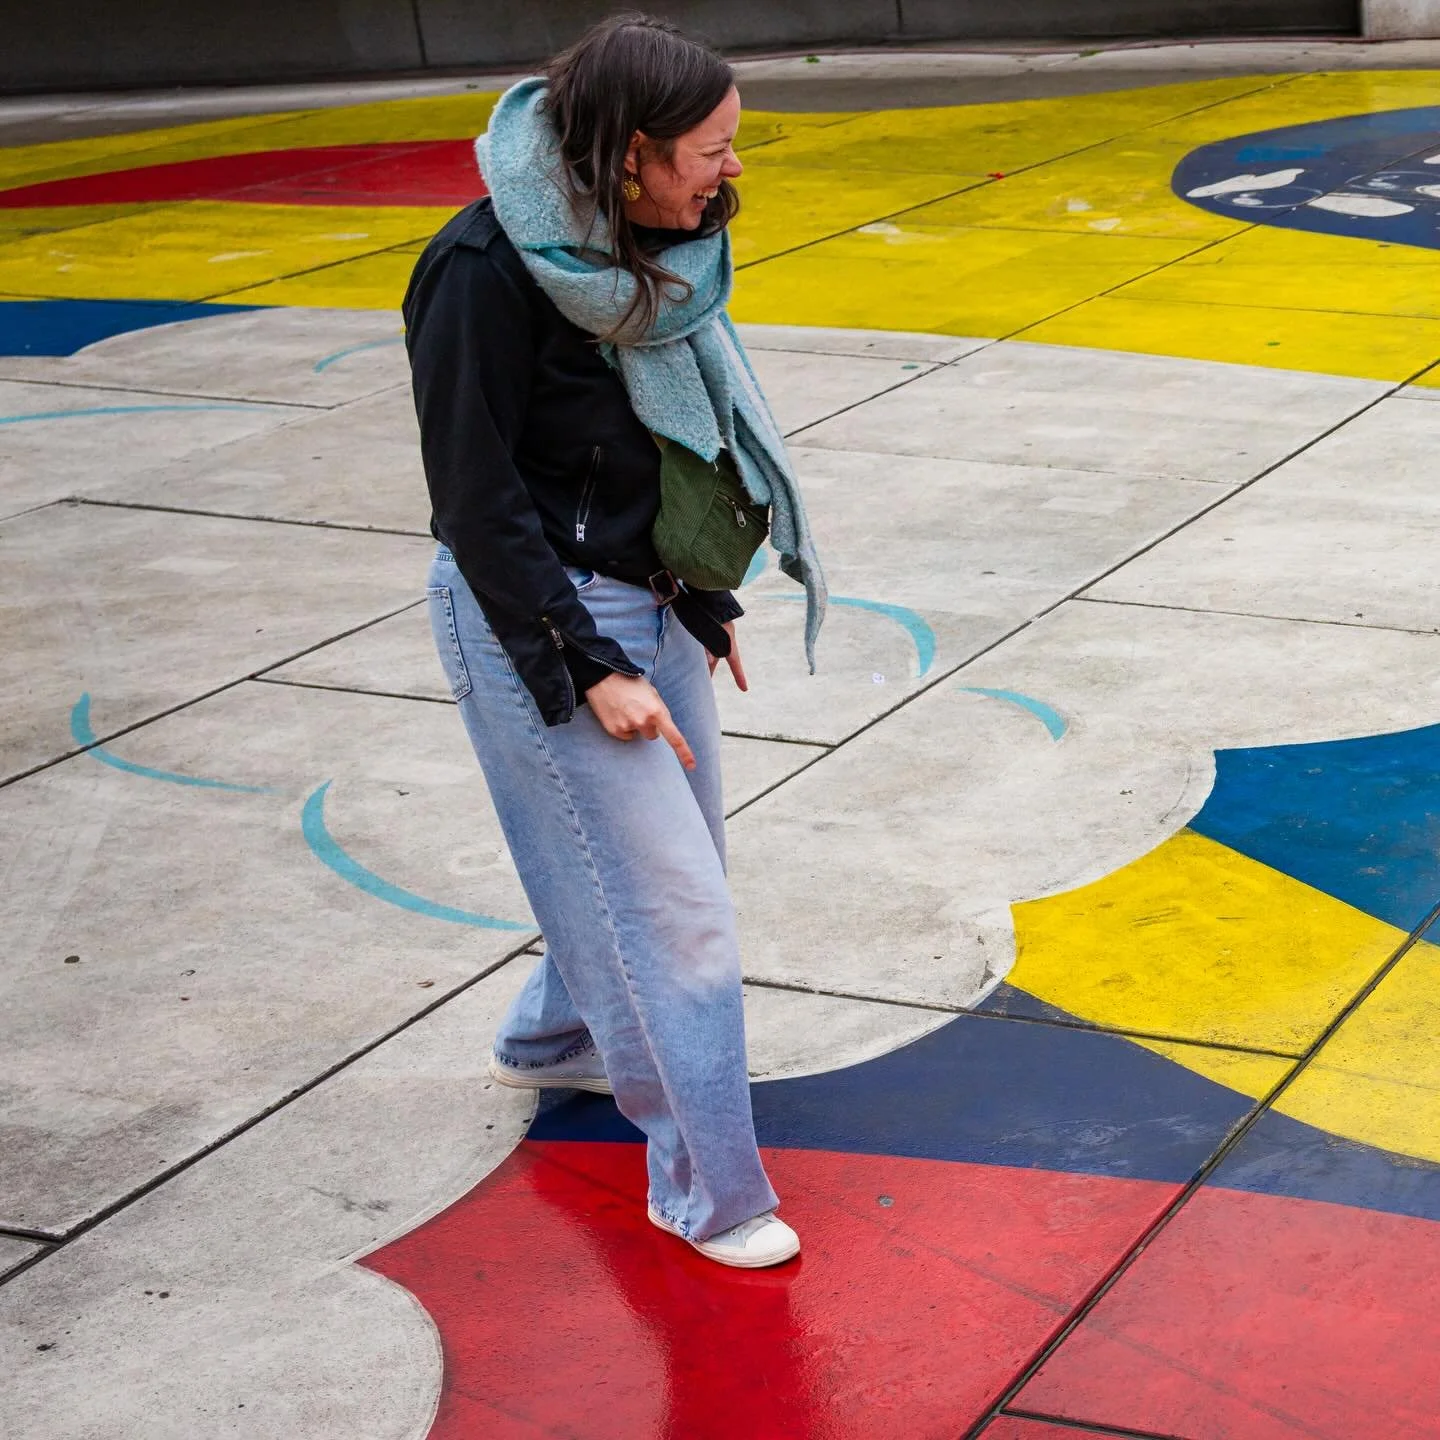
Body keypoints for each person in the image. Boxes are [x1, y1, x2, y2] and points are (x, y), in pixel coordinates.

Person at [403, 12, 824, 1270]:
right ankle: (707, 1190)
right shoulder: (481, 271)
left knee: (656, 873)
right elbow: (477, 501)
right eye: (712, 148)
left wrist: (696, 596)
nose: (733, 169)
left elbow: (657, 452)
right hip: (539, 614)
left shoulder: (671, 248)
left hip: (650, 606)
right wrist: (590, 662)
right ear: (632, 151)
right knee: (676, 915)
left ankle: (551, 1039)